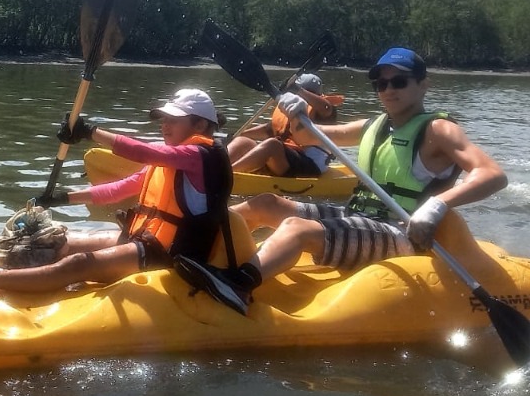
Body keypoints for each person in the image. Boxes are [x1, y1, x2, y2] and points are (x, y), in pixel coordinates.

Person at [177, 47, 508, 315]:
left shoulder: (438, 130)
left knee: (296, 228)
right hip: (360, 219)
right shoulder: (373, 126)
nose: (388, 90)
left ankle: (236, 285)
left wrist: (438, 205)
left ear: (423, 84)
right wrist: (296, 110)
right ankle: (207, 257)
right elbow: (308, 136)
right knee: (265, 203)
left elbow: (493, 175)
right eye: (381, 83)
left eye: (399, 82)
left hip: (404, 233)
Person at [0, 88, 240, 293]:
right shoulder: (176, 158)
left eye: (174, 120)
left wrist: (89, 131)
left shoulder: (200, 156)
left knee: (80, 264)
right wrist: (65, 197)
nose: (164, 125)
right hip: (147, 240)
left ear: (200, 125)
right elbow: (119, 189)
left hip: (174, 257)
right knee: (63, 243)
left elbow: (144, 152)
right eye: (164, 119)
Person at [227, 73, 338, 177]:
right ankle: (220, 166)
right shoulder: (291, 107)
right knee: (243, 141)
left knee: (273, 144)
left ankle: (227, 175)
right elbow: (268, 129)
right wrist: (238, 135)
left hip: (311, 165)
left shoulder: (324, 112)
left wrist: (298, 90)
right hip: (286, 158)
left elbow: (326, 108)